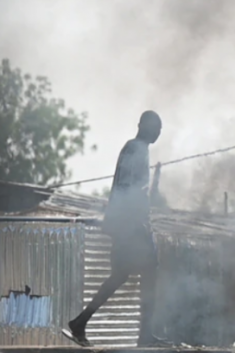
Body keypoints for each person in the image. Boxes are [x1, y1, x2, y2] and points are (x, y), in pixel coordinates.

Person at [63, 110, 169, 347]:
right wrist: (138, 224)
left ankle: (81, 321)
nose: (158, 133)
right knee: (150, 271)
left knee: (120, 275)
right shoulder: (137, 149)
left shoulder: (134, 148)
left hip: (124, 224)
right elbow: (127, 187)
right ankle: (144, 336)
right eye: (156, 128)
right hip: (131, 225)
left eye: (160, 129)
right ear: (143, 126)